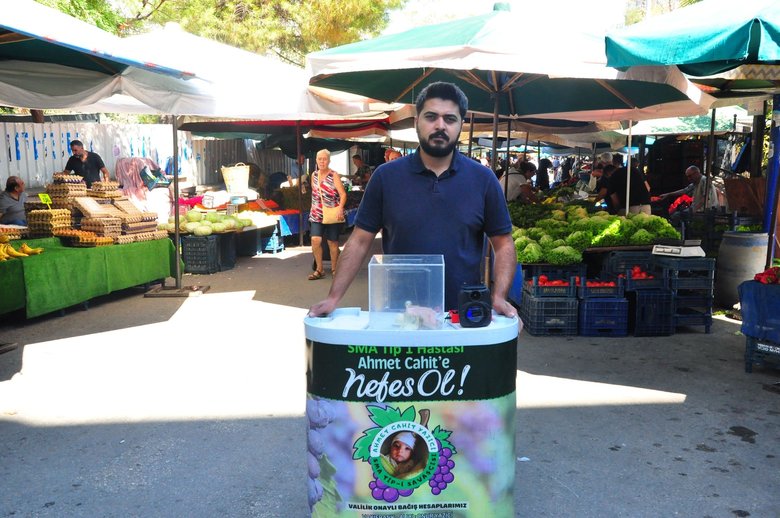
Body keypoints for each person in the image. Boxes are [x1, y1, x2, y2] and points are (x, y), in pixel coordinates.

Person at [308, 81, 517, 317]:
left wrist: (499, 297)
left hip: (463, 316)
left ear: (461, 124)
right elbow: (359, 241)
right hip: (400, 313)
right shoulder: (386, 177)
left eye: (450, 119)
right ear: (417, 121)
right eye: (431, 117)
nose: (440, 125)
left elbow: (503, 243)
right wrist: (333, 298)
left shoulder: (483, 179)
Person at [308, 149, 347, 280]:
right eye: (320, 159)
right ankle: (319, 269)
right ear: (316, 161)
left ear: (329, 161)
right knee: (315, 239)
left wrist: (340, 208)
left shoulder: (334, 175)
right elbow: (314, 193)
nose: (322, 161)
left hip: (332, 213)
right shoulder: (313, 175)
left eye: (325, 159)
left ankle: (335, 268)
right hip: (317, 213)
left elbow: (343, 194)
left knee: (332, 242)